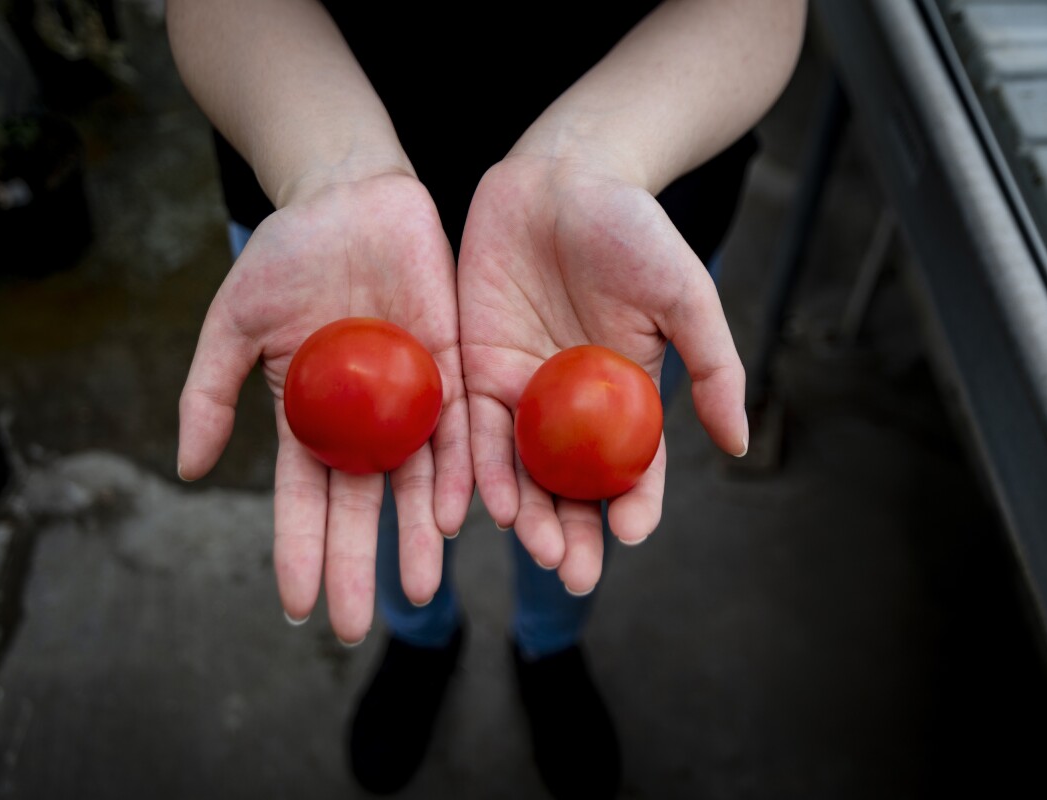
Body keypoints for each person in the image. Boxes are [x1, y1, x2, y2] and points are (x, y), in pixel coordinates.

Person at [166, 1, 807, 796]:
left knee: (577, 503)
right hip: (321, 214)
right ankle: (420, 638)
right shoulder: (330, 246)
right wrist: (327, 167)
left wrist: (594, 160)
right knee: (387, 494)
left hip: (615, 233)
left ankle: (549, 645)